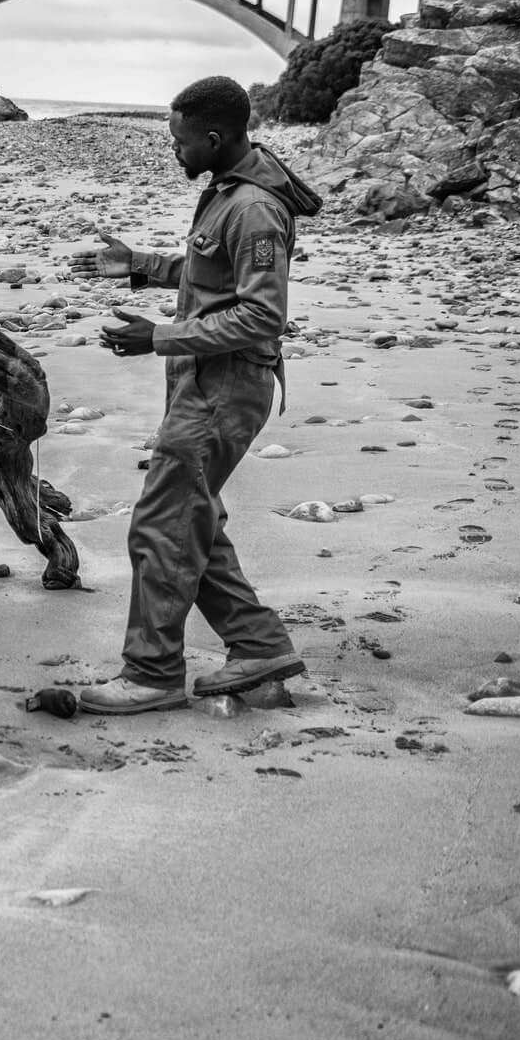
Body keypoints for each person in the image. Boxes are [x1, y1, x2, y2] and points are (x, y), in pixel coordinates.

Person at [69, 76, 323, 715]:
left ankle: (151, 674)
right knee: (192, 520)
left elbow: (263, 315)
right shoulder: (228, 191)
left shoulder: (254, 208)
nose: (174, 152)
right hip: (207, 383)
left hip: (225, 387)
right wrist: (143, 266)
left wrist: (158, 336)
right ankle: (258, 644)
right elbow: (213, 274)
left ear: (214, 138)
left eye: (180, 143)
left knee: (163, 524)